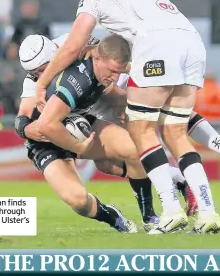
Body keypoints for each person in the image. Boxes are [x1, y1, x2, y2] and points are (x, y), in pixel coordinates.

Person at [33, 0, 220, 234]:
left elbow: (72, 45)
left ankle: (171, 210)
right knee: (175, 132)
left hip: (157, 45)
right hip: (192, 43)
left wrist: (42, 83)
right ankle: (208, 213)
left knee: (141, 130)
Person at [14, 34, 138, 233]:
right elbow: (21, 121)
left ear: (55, 56)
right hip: (47, 142)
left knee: (127, 154)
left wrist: (93, 46)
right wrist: (30, 130)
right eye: (33, 72)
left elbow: (108, 42)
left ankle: (171, 182)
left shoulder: (73, 45)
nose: (39, 76)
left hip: (78, 122)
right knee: (79, 201)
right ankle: (110, 215)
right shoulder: (32, 83)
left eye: (41, 70)